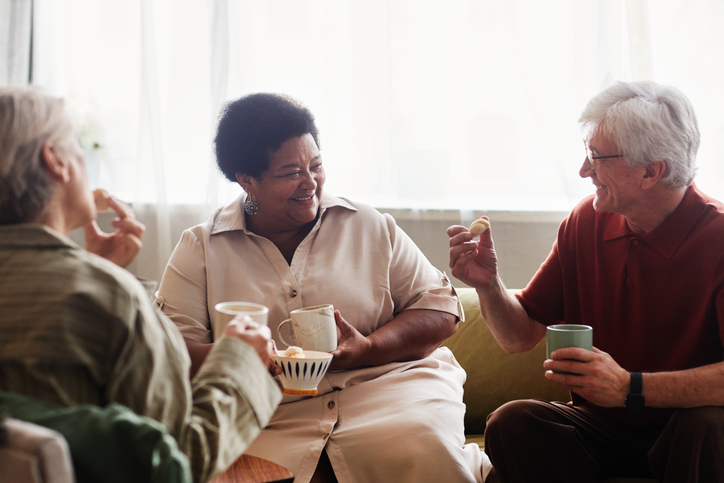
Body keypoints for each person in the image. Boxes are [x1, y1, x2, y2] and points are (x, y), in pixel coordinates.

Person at [156, 92, 493, 483]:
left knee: (421, 445)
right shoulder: (201, 248)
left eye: (315, 165)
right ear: (246, 180)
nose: (310, 182)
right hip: (270, 412)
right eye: (290, 173)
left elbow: (440, 311)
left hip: (389, 391)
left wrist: (367, 348)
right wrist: (243, 357)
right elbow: (172, 351)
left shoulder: (368, 225)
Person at [0, 86, 282, 483]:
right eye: (77, 147)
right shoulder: (112, 300)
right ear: (55, 161)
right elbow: (178, 458)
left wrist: (94, 268)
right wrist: (242, 363)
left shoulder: (97, 288)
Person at [448, 80, 724, 482]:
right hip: (600, 429)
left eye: (597, 157)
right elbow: (518, 337)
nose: (583, 171)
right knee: (513, 421)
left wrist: (631, 388)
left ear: (651, 171)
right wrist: (488, 284)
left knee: (710, 428)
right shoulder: (585, 222)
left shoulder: (717, 238)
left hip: (686, 429)